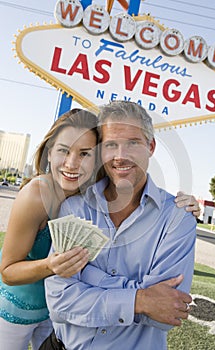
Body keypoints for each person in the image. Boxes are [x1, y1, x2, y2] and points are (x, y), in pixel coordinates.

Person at [45, 101, 197, 350]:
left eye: (133, 143)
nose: (121, 155)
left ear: (151, 147)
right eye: (111, 145)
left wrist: (89, 276)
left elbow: (167, 314)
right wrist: (141, 298)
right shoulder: (74, 208)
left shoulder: (178, 218)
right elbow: (60, 301)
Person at [0, 108, 100, 350]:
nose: (72, 163)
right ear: (49, 152)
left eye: (84, 154)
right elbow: (7, 272)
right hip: (14, 314)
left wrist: (183, 205)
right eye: (64, 151)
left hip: (57, 315)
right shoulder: (35, 195)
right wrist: (49, 266)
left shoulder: (93, 194)